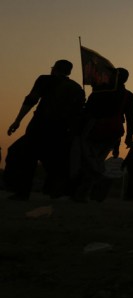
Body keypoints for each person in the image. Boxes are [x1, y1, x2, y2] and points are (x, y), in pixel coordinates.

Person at [5, 59, 85, 199]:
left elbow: (31, 99)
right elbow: (78, 113)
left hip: (40, 126)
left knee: (22, 155)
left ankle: (22, 191)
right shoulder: (77, 88)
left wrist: (17, 120)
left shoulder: (45, 80)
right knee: (51, 160)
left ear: (54, 69)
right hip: (61, 130)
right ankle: (62, 189)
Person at [72, 67, 133, 202]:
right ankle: (83, 193)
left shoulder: (100, 91)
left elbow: (88, 111)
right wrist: (129, 135)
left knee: (88, 160)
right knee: (96, 160)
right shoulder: (128, 95)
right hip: (113, 131)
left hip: (94, 129)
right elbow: (131, 117)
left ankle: (98, 180)